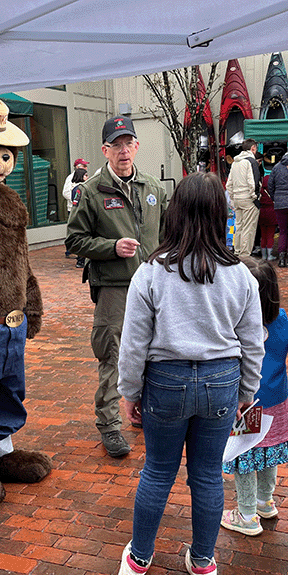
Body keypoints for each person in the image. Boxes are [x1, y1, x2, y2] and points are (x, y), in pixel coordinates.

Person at [115, 172, 265, 575]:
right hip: (222, 383)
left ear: (173, 213)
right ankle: (203, 567)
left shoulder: (151, 273)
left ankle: (137, 562)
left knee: (158, 472)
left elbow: (133, 343)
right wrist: (248, 393)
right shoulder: (241, 276)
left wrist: (129, 392)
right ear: (222, 214)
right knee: (206, 476)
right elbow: (254, 342)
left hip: (165, 382)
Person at [65, 116, 167, 458]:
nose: (123, 151)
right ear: (105, 150)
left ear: (136, 146)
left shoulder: (153, 187)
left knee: (155, 352)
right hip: (115, 288)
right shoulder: (92, 192)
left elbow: (168, 235)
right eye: (116, 145)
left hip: (153, 285)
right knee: (113, 354)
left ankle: (143, 410)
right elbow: (75, 239)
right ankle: (109, 425)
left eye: (129, 143)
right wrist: (110, 248)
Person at [221, 257, 288, 536]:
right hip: (277, 399)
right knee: (269, 453)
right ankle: (266, 502)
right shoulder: (282, 318)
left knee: (245, 455)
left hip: (247, 403)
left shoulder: (238, 326)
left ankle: (247, 514)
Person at [226, 139, 261, 256]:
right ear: (253, 148)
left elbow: (229, 184)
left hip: (236, 198)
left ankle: (237, 251)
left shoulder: (235, 162)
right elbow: (253, 182)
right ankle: (245, 255)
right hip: (248, 198)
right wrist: (255, 197)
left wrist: (232, 197)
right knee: (248, 228)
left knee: (239, 226)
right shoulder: (251, 162)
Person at [63, 158, 89, 257]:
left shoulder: (84, 178)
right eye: (84, 166)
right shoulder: (71, 178)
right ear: (78, 167)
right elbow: (65, 193)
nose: (86, 168)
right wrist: (76, 201)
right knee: (74, 229)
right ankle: (70, 250)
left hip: (78, 207)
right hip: (73, 208)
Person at [70, 168, 88, 268]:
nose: (87, 177)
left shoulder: (74, 188)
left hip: (78, 215)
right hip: (81, 216)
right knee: (83, 238)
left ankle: (80, 259)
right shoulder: (80, 189)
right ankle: (81, 260)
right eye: (86, 175)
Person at [257, 173, 277, 261]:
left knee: (263, 235)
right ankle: (270, 255)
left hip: (262, 214)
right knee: (270, 235)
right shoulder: (273, 192)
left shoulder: (261, 193)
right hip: (272, 214)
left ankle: (263, 255)